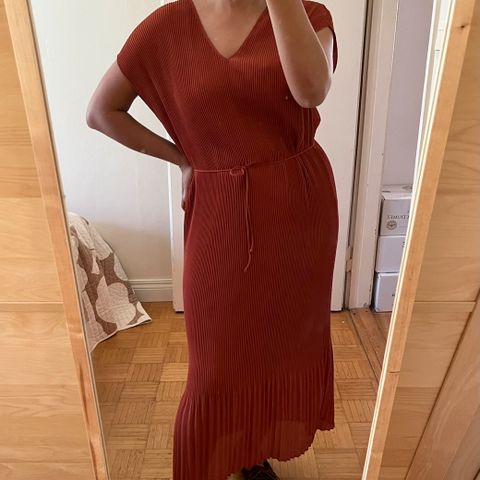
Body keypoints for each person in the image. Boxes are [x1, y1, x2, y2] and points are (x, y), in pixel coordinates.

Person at [86, 1, 339, 478]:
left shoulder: (308, 14)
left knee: (280, 344)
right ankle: (206, 461)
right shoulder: (166, 27)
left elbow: (310, 91)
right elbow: (102, 112)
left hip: (300, 208)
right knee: (216, 363)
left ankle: (251, 452)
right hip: (219, 207)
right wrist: (182, 158)